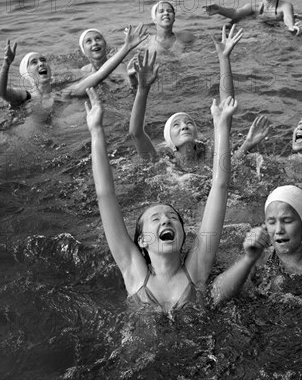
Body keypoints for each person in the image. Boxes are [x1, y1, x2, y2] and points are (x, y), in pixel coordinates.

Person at [85, 86, 237, 312]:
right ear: (142, 241)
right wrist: (96, 131)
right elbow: (104, 195)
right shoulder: (133, 270)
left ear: (184, 235)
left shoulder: (197, 269)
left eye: (172, 217)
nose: (166, 221)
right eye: (155, 219)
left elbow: (220, 186)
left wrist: (221, 126)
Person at [128, 25, 269, 164]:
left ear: (196, 134)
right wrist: (142, 89)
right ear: (169, 139)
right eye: (176, 125)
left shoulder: (208, 156)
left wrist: (224, 59)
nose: (184, 126)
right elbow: (136, 133)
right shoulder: (162, 163)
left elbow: (226, 112)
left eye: (189, 123)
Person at [0, 23, 148, 106]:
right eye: (34, 62)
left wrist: (126, 47)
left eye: (43, 60)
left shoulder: (64, 93)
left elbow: (101, 74)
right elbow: (1, 92)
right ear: (26, 73)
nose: (41, 63)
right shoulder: (25, 97)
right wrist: (6, 65)